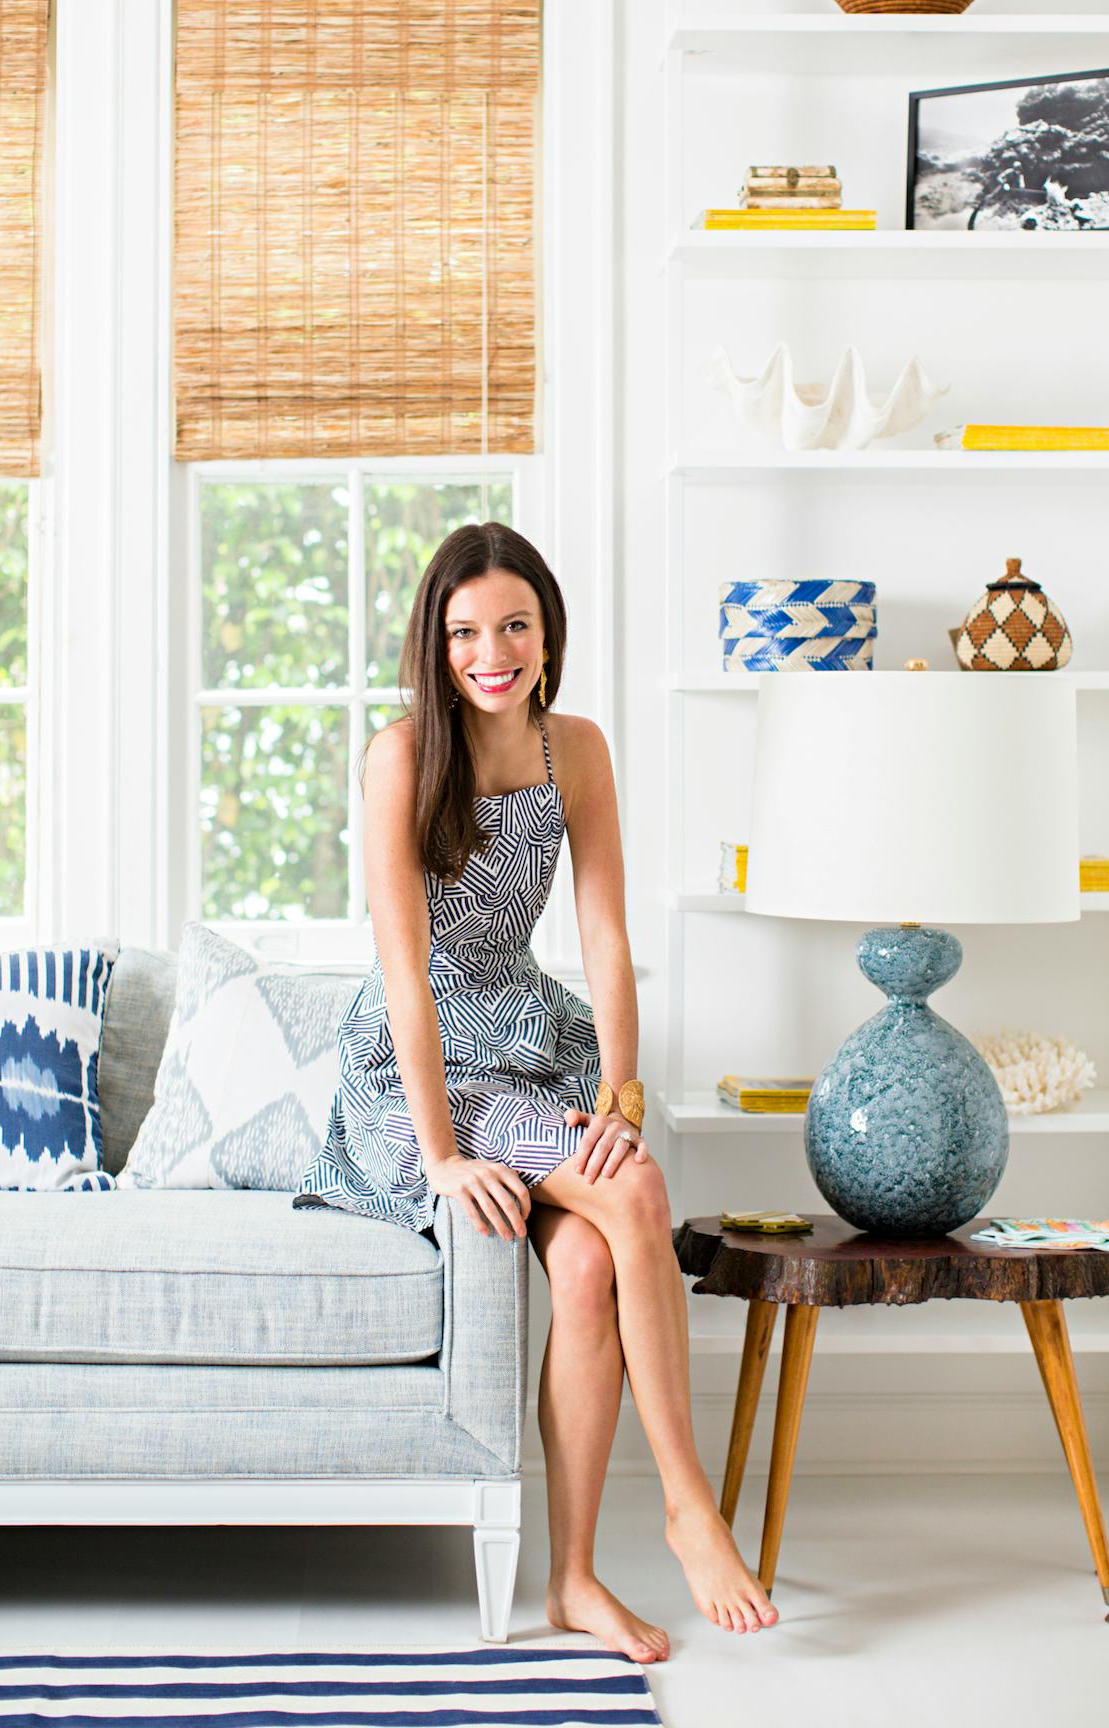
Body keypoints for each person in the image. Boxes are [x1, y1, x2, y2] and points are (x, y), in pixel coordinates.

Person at [295, 521, 778, 1661]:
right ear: (436, 644)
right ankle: (688, 1503)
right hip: (422, 1064)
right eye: (464, 632)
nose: (491, 652)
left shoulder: (577, 749)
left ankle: (572, 1580)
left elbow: (605, 938)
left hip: (528, 1031)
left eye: (513, 625)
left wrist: (619, 1094)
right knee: (638, 1194)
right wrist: (443, 1153)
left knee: (588, 1261)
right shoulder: (399, 758)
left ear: (547, 631)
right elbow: (405, 978)